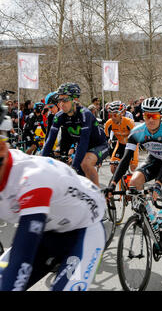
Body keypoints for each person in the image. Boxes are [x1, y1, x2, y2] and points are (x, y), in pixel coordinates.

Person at [0, 103, 106, 291]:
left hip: (83, 229)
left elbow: (21, 258)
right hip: (47, 231)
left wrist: (74, 164)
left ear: (2, 147)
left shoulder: (32, 178)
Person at [105, 97, 162, 270]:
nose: (150, 119)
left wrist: (158, 183)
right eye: (148, 115)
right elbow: (126, 159)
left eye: (154, 116)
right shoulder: (137, 131)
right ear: (143, 115)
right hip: (153, 160)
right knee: (134, 183)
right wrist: (112, 184)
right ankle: (149, 216)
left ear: (161, 116)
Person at [41, 83, 109, 187]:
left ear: (75, 100)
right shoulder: (59, 116)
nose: (61, 104)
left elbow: (84, 142)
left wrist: (74, 168)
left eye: (65, 100)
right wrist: (40, 162)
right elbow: (50, 141)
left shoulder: (85, 114)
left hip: (99, 145)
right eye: (60, 100)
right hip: (82, 147)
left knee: (84, 163)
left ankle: (98, 197)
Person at [104, 101, 139, 174]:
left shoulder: (129, 122)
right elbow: (105, 138)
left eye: (115, 115)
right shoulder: (108, 124)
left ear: (121, 114)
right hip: (120, 145)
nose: (113, 118)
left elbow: (137, 137)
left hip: (132, 146)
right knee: (113, 168)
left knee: (133, 167)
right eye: (111, 115)